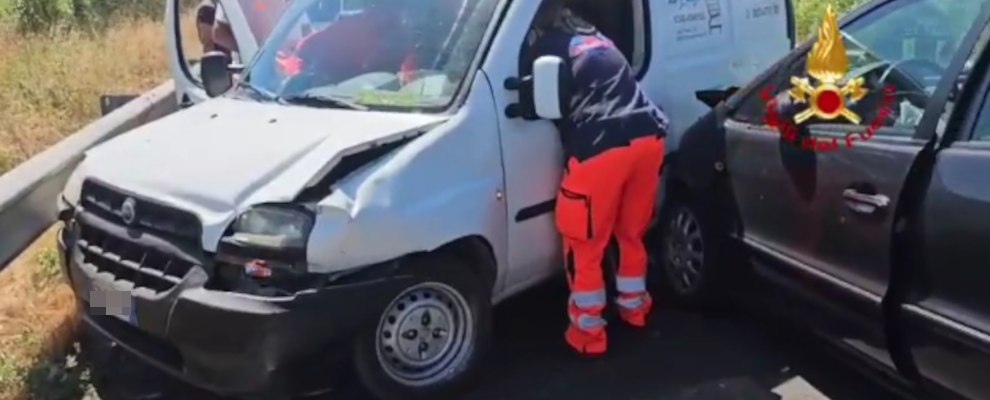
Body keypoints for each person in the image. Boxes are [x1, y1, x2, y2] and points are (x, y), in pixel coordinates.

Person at [525, 0, 668, 356]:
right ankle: (635, 310)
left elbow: (536, 99)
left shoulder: (545, 49)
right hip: (648, 138)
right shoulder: (594, 37)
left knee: (584, 244)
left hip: (602, 148)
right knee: (630, 234)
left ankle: (589, 335)